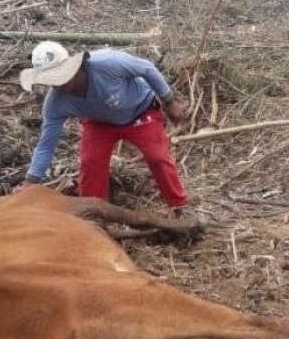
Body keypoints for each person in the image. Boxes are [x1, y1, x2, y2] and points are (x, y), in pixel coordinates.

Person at [18, 42, 199, 220]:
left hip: (140, 112)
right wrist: (30, 181)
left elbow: (147, 69)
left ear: (73, 66)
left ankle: (180, 205)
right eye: (50, 80)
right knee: (90, 162)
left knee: (157, 156)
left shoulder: (106, 64)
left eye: (59, 75)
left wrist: (169, 101)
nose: (58, 84)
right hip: (99, 124)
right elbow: (46, 145)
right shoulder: (55, 104)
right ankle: (92, 213)